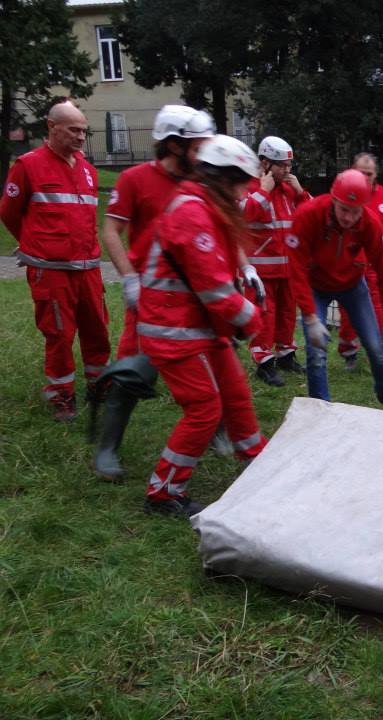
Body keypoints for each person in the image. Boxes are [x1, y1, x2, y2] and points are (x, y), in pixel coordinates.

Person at [136, 135, 270, 518]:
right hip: (175, 331)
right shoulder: (193, 214)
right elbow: (214, 292)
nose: (246, 193)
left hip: (198, 328)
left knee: (236, 392)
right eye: (243, 183)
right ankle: (163, 492)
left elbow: (219, 278)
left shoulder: (206, 208)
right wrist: (252, 318)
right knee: (204, 410)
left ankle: (255, 457)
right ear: (225, 179)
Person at [93, 105, 216, 479]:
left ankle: (218, 430)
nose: (205, 152)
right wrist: (129, 278)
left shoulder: (203, 183)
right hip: (150, 299)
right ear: (176, 145)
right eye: (197, 145)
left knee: (214, 367)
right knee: (134, 372)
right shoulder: (134, 180)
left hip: (197, 298)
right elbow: (111, 231)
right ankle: (106, 450)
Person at [0, 100, 110, 422]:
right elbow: (8, 212)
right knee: (59, 335)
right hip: (50, 271)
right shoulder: (28, 165)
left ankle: (98, 385)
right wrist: (36, 245)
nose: (80, 137)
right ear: (52, 127)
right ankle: (62, 396)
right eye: (73, 130)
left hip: (88, 268)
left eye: (84, 131)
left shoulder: (88, 171)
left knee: (97, 330)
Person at [289, 168, 383, 408]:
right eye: (344, 210)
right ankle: (320, 408)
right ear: (334, 199)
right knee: (316, 352)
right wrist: (309, 317)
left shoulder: (370, 224)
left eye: (355, 211)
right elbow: (296, 268)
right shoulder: (307, 215)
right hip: (316, 285)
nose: (349, 218)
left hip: (352, 285)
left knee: (375, 346)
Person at [240, 136, 312, 386]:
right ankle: (264, 361)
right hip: (261, 271)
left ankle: (285, 354)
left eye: (290, 166)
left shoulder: (290, 189)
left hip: (288, 269)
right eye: (282, 165)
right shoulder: (250, 186)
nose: (287, 171)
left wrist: (301, 193)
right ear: (265, 163)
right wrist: (264, 190)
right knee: (264, 317)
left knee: (287, 314)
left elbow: (311, 218)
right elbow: (244, 215)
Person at [337, 152, 383, 370]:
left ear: (376, 174)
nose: (365, 177)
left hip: (375, 265)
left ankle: (381, 355)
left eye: (369, 173)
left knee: (378, 310)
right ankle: (349, 350)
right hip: (348, 264)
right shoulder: (343, 193)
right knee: (348, 314)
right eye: (361, 173)